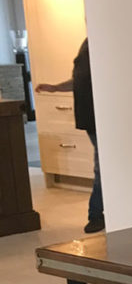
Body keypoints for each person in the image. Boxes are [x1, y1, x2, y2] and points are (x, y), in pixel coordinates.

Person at [35, 38, 104, 233]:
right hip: (90, 119)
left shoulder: (99, 41)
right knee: (103, 167)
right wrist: (56, 88)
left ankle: (96, 214)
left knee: (102, 167)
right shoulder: (88, 44)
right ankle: (97, 214)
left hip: (99, 118)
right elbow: (80, 81)